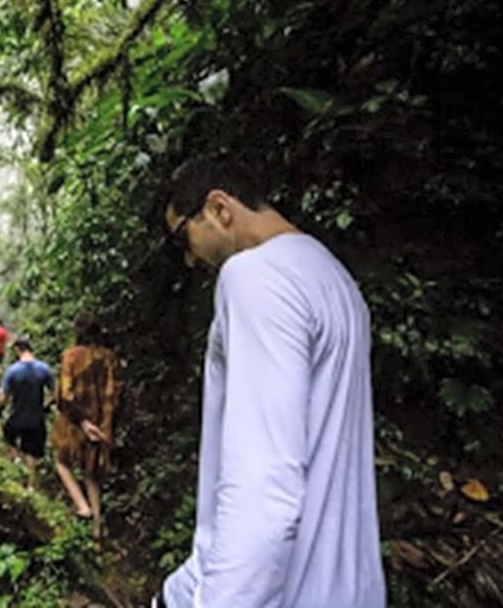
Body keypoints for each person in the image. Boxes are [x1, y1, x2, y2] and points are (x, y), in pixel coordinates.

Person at [154, 158, 385, 608]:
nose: (187, 257)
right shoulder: (334, 277)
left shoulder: (254, 276)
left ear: (219, 207)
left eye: (182, 236)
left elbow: (264, 481)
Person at [52, 311, 119, 541]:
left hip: (75, 423)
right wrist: (104, 425)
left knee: (62, 463)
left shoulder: (70, 356)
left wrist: (82, 421)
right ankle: (97, 531)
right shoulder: (108, 357)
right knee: (92, 475)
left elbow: (65, 394)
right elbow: (113, 394)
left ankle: (83, 507)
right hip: (100, 423)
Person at [0, 337, 53, 487]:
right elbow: (55, 393)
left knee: (9, 436)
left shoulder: (12, 371)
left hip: (16, 415)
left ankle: (15, 465)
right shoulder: (44, 368)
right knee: (32, 452)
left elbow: (3, 397)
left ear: (17, 350)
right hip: (36, 417)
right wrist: (45, 406)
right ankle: (31, 485)